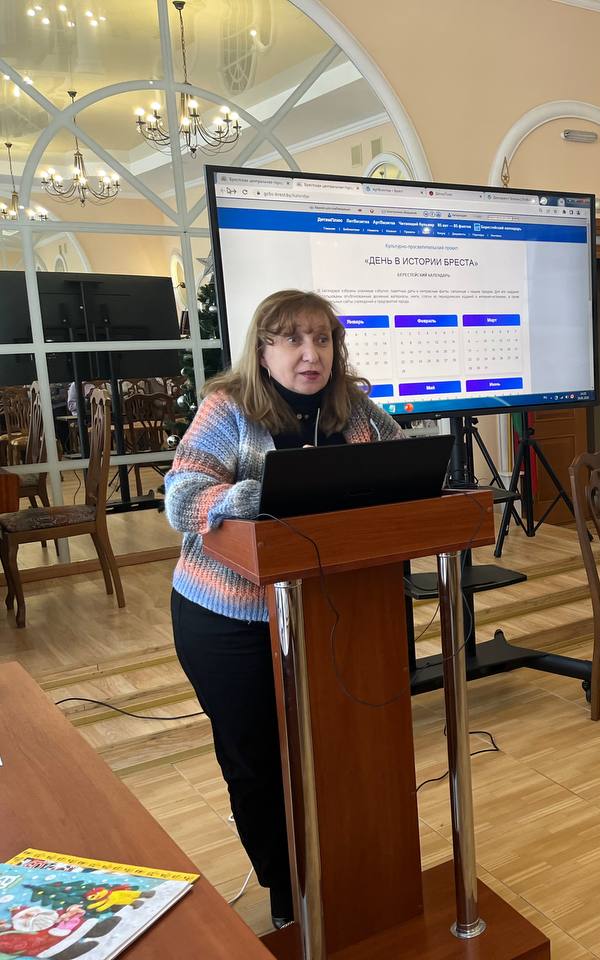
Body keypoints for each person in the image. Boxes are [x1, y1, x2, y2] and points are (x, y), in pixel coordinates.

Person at [164, 290, 400, 929]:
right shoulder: (229, 408)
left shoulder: (354, 409)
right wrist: (257, 493)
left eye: (322, 339)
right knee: (259, 763)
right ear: (263, 350)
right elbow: (182, 497)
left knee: (336, 751)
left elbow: (402, 466)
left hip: (330, 612)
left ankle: (343, 876)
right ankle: (286, 893)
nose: (310, 353)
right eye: (293, 339)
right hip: (228, 620)